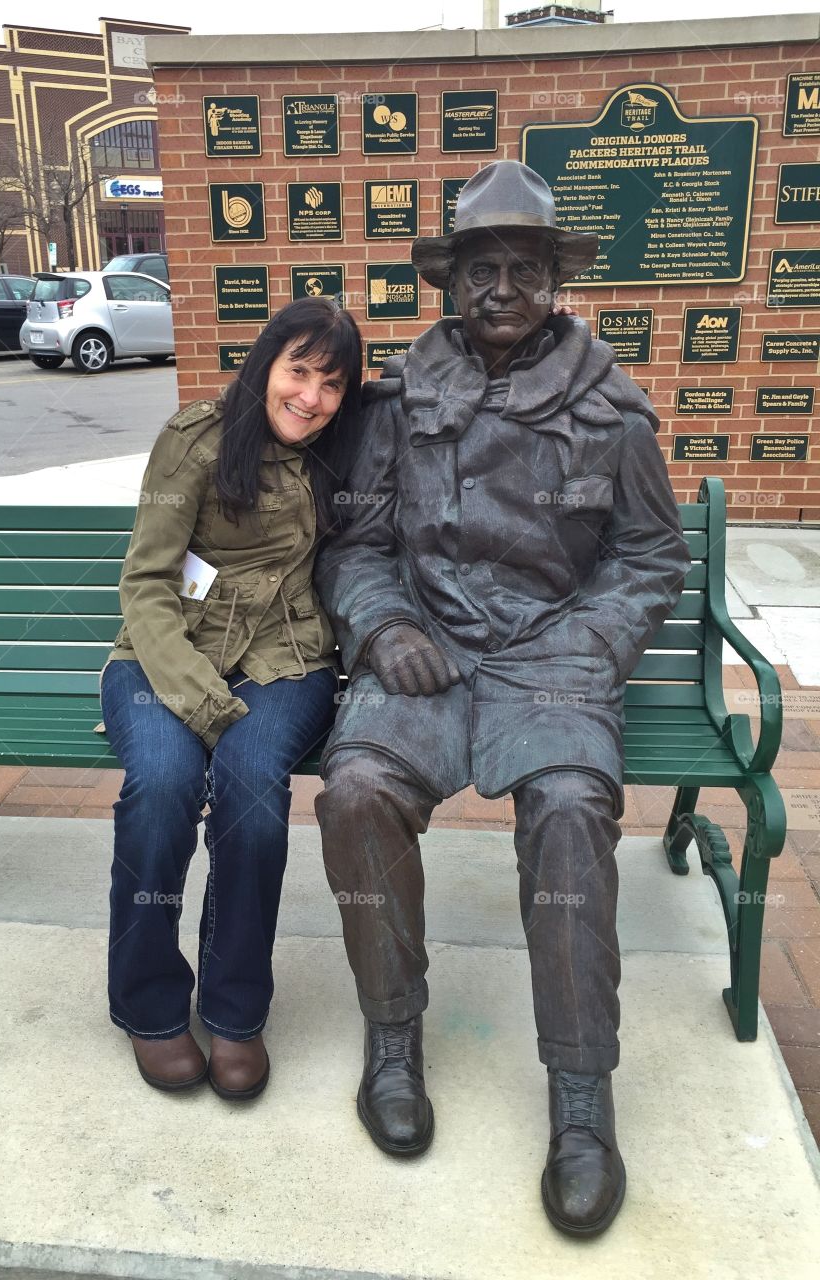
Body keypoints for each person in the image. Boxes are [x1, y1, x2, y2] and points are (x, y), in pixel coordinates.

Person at [313, 161, 691, 1236]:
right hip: (426, 649)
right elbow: (360, 541)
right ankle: (393, 1032)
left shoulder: (611, 411)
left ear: (554, 282)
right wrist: (384, 624)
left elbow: (651, 555)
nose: (501, 289)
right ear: (453, 281)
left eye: (524, 269)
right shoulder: (396, 404)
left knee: (571, 813)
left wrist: (591, 642)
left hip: (551, 657)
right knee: (354, 792)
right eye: (482, 268)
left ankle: (581, 1094)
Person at [101, 297, 362, 1101]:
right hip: (168, 654)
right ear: (265, 365)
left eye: (332, 383)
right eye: (298, 371)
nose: (311, 397)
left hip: (288, 660)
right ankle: (149, 1004)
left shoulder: (344, 451)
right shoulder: (197, 441)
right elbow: (146, 582)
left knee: (253, 794)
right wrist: (200, 701)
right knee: (163, 788)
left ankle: (235, 1010)